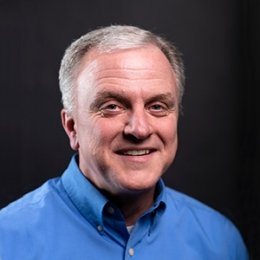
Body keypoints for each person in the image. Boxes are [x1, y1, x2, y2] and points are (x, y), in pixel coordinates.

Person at [0, 25, 248, 259]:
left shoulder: (221, 242)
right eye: (112, 107)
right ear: (72, 127)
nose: (139, 129)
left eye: (157, 106)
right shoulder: (7, 240)